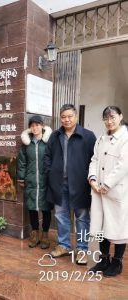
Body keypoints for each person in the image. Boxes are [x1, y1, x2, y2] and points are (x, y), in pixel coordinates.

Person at [44, 104, 96, 264]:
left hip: (80, 185)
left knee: (82, 218)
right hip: (59, 184)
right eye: (63, 117)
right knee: (61, 216)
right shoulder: (55, 135)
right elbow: (47, 156)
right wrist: (50, 172)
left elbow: (95, 159)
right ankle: (64, 245)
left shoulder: (88, 136)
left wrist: (91, 178)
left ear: (76, 117)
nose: (66, 120)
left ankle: (82, 249)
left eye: (69, 116)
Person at [88, 106, 128, 277]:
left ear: (120, 116)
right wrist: (92, 179)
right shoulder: (101, 138)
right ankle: (103, 259)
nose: (109, 121)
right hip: (98, 191)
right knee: (101, 227)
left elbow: (124, 165)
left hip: (116, 191)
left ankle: (117, 262)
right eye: (106, 118)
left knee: (119, 227)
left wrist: (107, 184)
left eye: (112, 117)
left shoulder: (125, 138)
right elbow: (94, 159)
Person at [17, 115, 53, 249]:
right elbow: (22, 162)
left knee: (46, 209)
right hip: (31, 181)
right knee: (32, 208)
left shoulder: (48, 142)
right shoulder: (27, 145)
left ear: (42, 126)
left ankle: (45, 235)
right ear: (30, 128)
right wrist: (21, 177)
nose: (35, 127)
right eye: (32, 125)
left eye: (37, 125)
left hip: (45, 181)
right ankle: (34, 234)